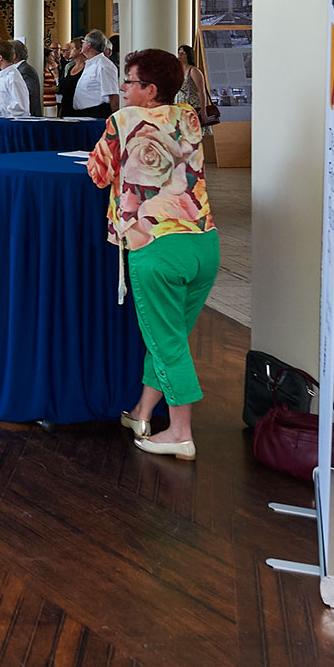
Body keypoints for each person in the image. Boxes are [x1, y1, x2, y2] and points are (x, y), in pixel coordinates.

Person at [87, 48, 219, 461]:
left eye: (129, 81)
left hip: (156, 245)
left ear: (150, 89)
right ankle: (142, 413)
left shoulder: (122, 121)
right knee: (170, 337)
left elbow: (98, 174)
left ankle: (180, 431)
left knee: (168, 344)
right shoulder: (188, 116)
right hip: (203, 242)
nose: (123, 88)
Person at [63, 31, 121, 121]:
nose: (82, 44)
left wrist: (115, 121)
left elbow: (113, 95)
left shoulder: (103, 65)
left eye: (83, 42)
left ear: (88, 45)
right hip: (83, 114)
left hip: (96, 114)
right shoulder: (90, 63)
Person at [0, 40, 35, 119]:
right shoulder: (3, 76)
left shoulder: (13, 77)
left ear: (0, 57)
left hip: (11, 122)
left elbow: (20, 108)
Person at [177, 44, 213, 130]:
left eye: (183, 53)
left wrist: (203, 109)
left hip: (194, 105)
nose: (180, 55)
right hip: (182, 106)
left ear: (188, 55)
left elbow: (201, 91)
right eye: (179, 53)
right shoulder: (179, 71)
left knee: (195, 131)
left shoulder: (193, 70)